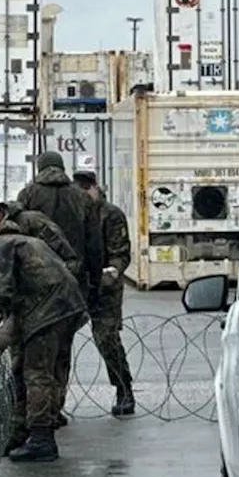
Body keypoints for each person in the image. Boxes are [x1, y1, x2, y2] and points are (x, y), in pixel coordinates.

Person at [0, 198, 87, 461]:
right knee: (25, 370)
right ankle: (21, 432)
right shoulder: (19, 240)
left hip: (48, 312)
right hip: (64, 308)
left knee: (37, 374)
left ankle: (42, 439)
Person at [16, 151, 104, 427]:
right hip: (72, 282)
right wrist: (94, 281)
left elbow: (18, 235)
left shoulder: (28, 194)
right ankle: (56, 406)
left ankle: (31, 411)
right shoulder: (80, 197)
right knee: (62, 349)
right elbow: (94, 243)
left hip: (34, 282)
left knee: (31, 352)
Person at [74, 171, 135, 416]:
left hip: (104, 286)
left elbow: (121, 252)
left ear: (95, 189)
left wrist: (113, 271)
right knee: (58, 343)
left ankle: (124, 389)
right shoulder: (73, 214)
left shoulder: (110, 214)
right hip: (77, 284)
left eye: (87, 190)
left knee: (106, 339)